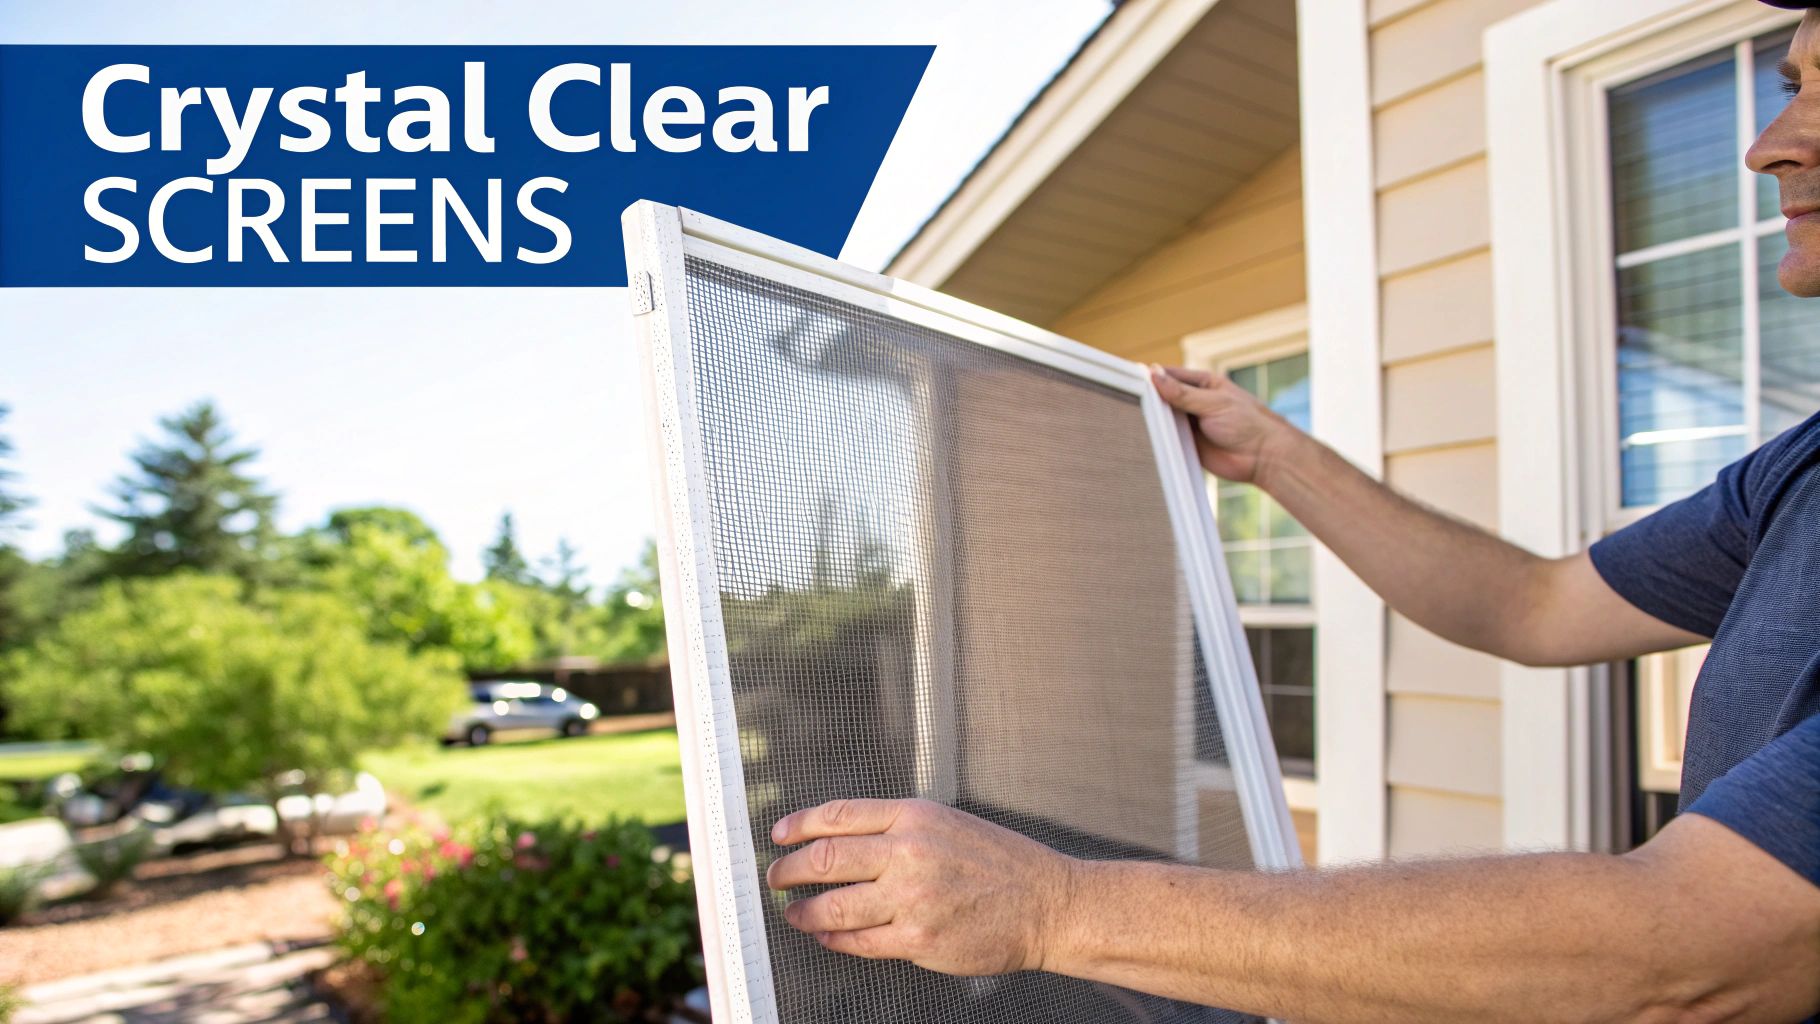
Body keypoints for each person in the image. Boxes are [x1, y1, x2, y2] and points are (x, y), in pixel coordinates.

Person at [763, 3, 1820, 1020]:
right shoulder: (1794, 476)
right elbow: (1530, 603)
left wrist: (1048, 905)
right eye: (1788, 86)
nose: (1766, 144)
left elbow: (1687, 961)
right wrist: (1274, 454)